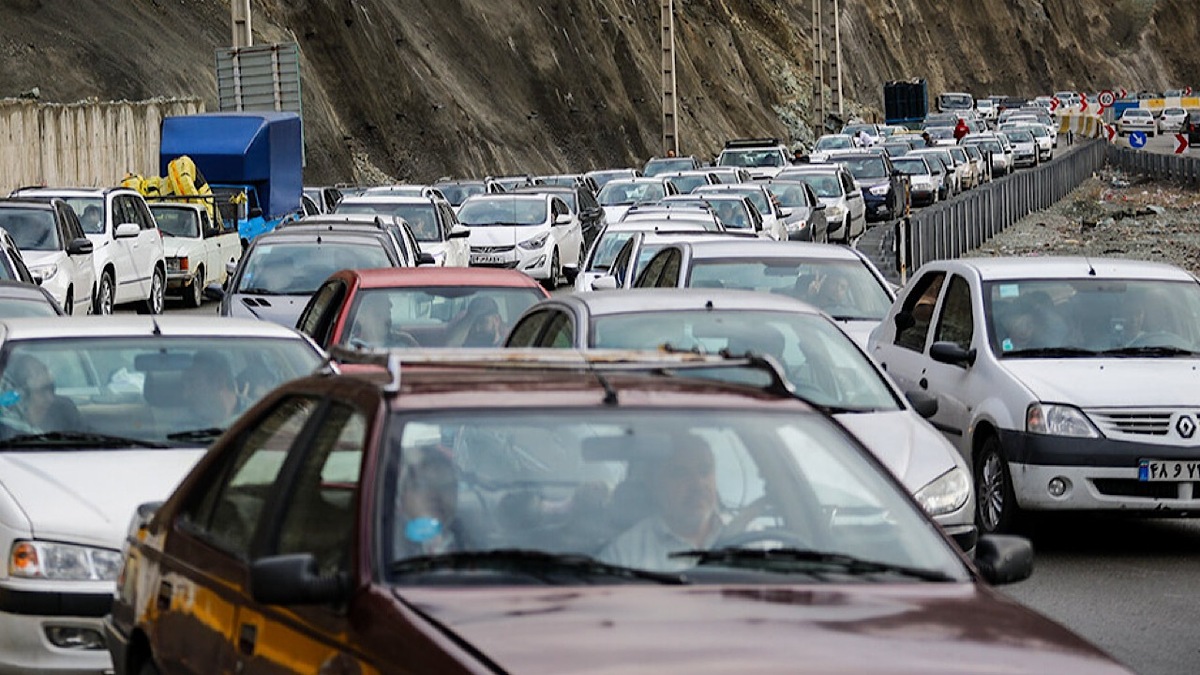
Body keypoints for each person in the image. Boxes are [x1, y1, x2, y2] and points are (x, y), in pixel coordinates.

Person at [600, 435, 723, 572]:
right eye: (680, 473)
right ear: (655, 485)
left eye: (705, 471)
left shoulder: (742, 539)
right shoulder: (623, 555)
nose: (698, 484)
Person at [394, 448, 461, 558]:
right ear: (403, 495)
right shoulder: (387, 544)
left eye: (445, 486)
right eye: (423, 486)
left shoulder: (469, 538)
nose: (435, 495)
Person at [4, 354, 83, 432]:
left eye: (51, 389)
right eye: (42, 391)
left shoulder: (65, 410)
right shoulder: (5, 424)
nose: (50, 399)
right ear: (21, 395)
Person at [185, 351, 239, 427]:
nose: (186, 395)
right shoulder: (185, 427)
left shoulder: (257, 417)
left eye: (193, 385)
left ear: (219, 382)